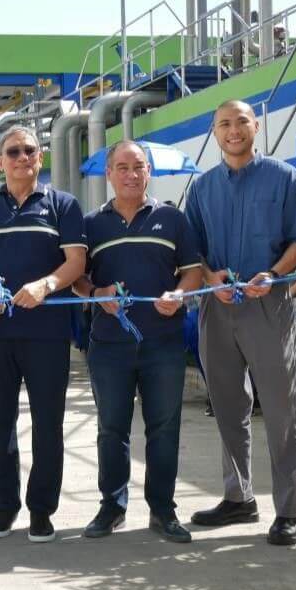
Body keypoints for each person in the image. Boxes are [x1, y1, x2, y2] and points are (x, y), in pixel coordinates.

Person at [72, 140, 202, 543]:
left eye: (138, 167)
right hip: (109, 345)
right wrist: (97, 295)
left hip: (163, 343)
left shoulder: (173, 219)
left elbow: (193, 272)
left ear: (149, 173)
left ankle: (162, 511)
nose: (131, 174)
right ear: (109, 174)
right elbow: (77, 278)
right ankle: (112, 507)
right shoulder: (91, 224)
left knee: (164, 428)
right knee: (112, 429)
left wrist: (179, 294)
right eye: (122, 167)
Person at [185, 99, 296, 546]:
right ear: (215, 132)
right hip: (218, 307)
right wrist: (210, 278)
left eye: (241, 122)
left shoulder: (285, 179)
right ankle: (239, 497)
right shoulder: (202, 187)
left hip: (270, 305)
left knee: (280, 410)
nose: (233, 130)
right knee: (228, 405)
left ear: (257, 126)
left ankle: (289, 510)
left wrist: (273, 274)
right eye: (224, 124)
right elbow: (193, 248)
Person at [0, 126, 86, 543]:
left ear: (41, 157)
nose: (21, 157)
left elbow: (75, 263)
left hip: (47, 335)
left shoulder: (63, 206)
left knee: (48, 424)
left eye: (29, 151)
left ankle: (41, 510)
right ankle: (5, 506)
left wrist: (46, 286)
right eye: (12, 151)